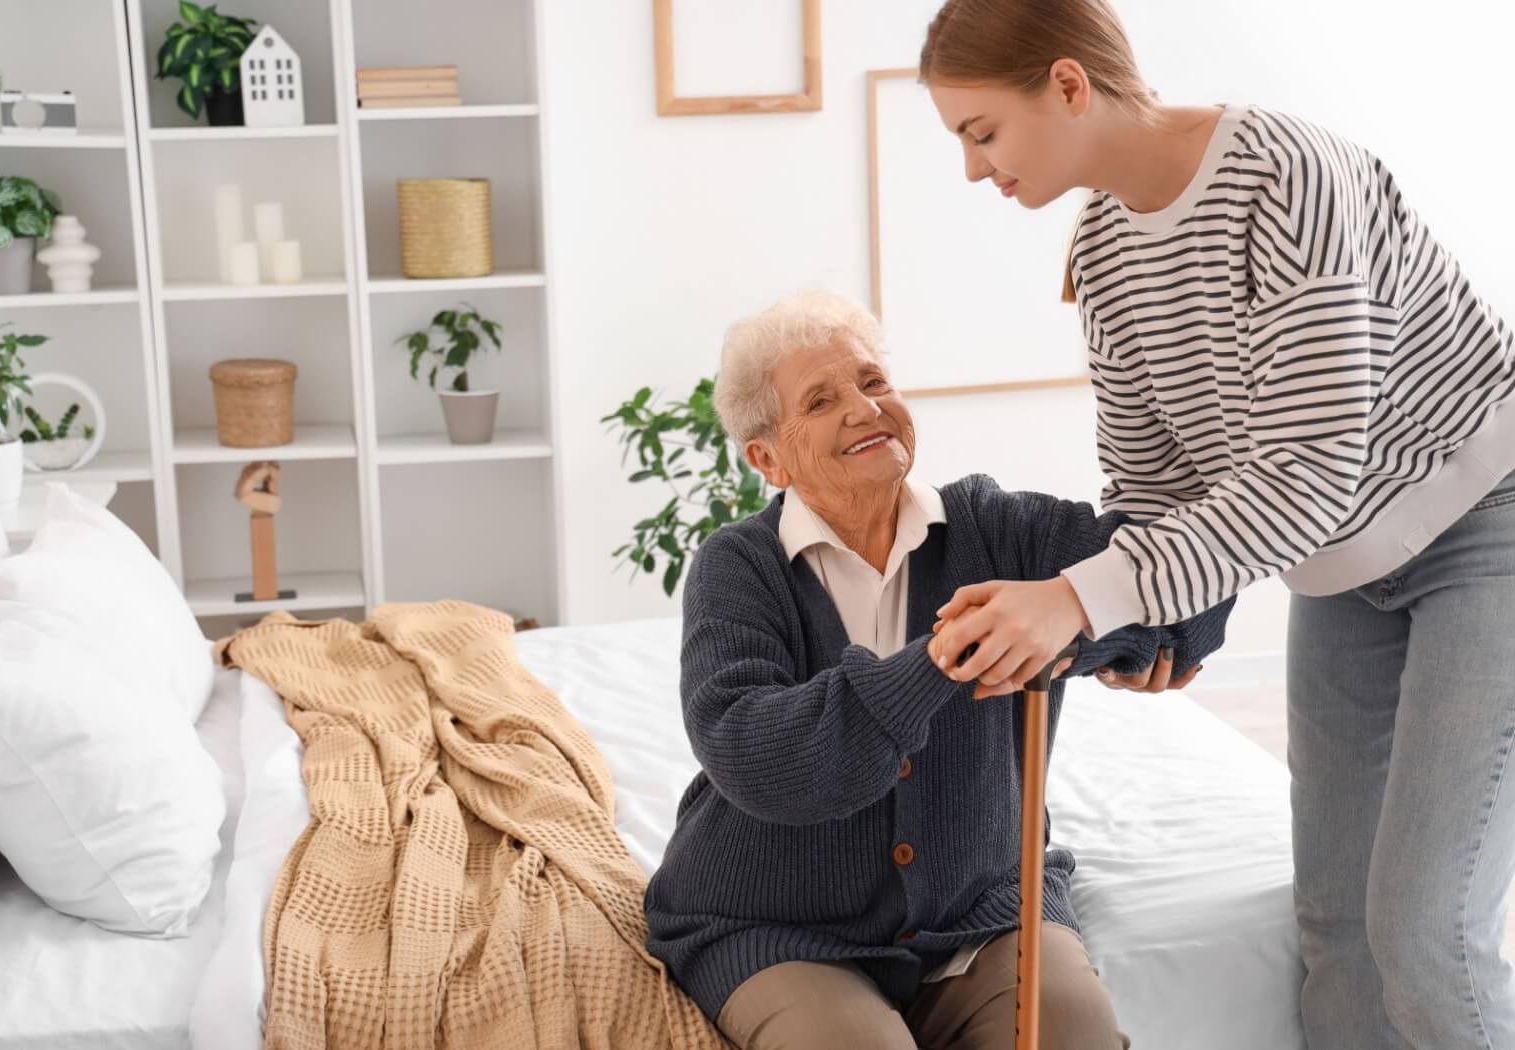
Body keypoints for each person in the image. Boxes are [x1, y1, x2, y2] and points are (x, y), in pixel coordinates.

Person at [918, 3, 1515, 1047]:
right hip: (1338, 572)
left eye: (981, 132)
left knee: (1420, 932)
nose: (974, 170)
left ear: (1066, 84)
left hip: (1485, 524)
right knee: (1333, 926)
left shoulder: (1288, 174)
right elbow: (1151, 482)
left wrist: (1076, 596)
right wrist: (1158, 628)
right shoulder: (1103, 249)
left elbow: (1308, 467)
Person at [643, 289, 1232, 1049]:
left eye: (874, 382)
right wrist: (951, 654)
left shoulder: (998, 527)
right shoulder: (739, 567)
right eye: (822, 400)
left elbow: (1192, 589)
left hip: (983, 907)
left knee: (1074, 1037)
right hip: (777, 920)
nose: (864, 408)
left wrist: (1074, 630)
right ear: (768, 457)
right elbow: (762, 760)